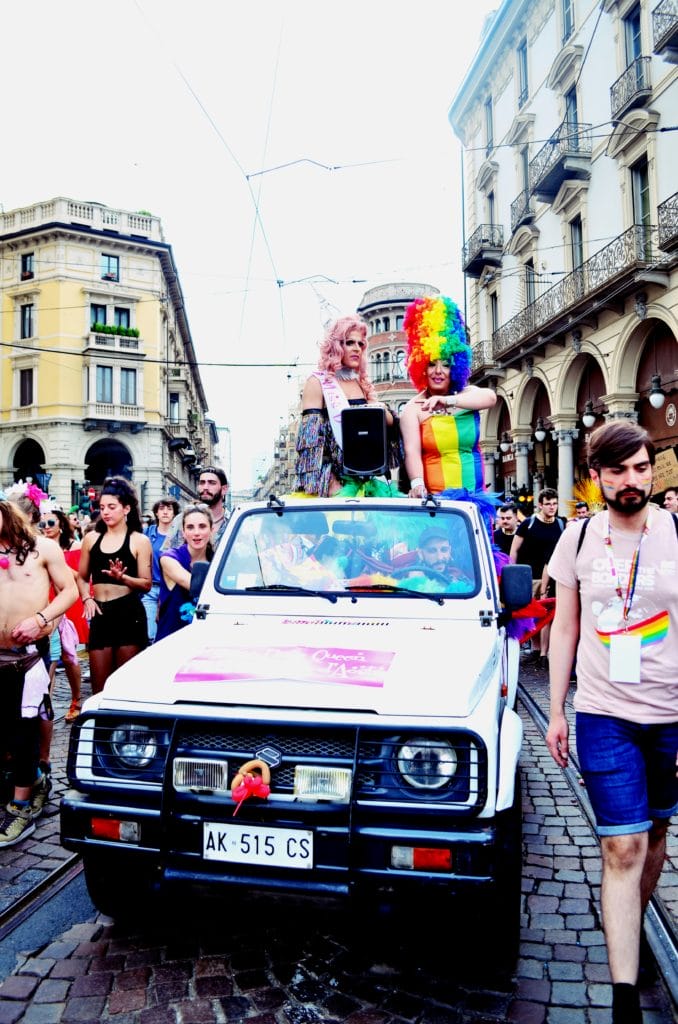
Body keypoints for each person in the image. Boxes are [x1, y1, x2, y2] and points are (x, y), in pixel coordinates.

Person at [545, 421, 678, 1024]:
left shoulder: (676, 532)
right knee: (620, 845)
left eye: (641, 469)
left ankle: (629, 922)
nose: (632, 481)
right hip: (604, 714)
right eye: (619, 471)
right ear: (595, 476)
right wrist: (554, 712)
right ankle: (625, 997)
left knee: (653, 839)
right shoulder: (577, 539)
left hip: (671, 714)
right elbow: (566, 628)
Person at [0, 498, 78, 847]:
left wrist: (42, 620)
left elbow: (71, 590)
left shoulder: (42, 548)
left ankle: (20, 809)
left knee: (24, 731)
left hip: (27, 658)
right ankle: (28, 783)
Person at [399, 296, 496, 498]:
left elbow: (490, 397)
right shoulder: (413, 408)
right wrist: (417, 484)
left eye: (446, 364)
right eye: (432, 364)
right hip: (438, 503)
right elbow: (412, 451)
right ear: (421, 367)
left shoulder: (467, 395)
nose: (438, 371)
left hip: (474, 500)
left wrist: (448, 400)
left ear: (456, 368)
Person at [294, 315, 394, 496]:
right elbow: (309, 443)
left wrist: (380, 408)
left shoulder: (362, 383)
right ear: (337, 346)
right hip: (333, 485)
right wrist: (331, 484)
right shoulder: (317, 382)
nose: (357, 348)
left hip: (369, 481)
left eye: (361, 344)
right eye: (350, 343)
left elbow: (388, 425)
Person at [77, 477, 152, 694]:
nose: (106, 512)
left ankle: (125, 728)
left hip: (129, 613)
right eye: (102, 508)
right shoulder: (91, 538)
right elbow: (81, 577)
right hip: (101, 614)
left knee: (125, 687)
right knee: (99, 689)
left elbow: (146, 584)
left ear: (126, 508)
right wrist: (86, 598)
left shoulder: (139, 540)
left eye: (112, 507)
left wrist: (123, 578)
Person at [510, 488, 566, 667]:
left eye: (555, 504)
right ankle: (535, 650)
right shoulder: (529, 523)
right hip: (529, 576)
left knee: (548, 616)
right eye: (548, 504)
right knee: (529, 614)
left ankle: (544, 653)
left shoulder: (560, 524)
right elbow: (515, 549)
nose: (552, 507)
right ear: (540, 505)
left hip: (553, 576)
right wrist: (513, 573)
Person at [37, 510, 84, 724]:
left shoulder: (73, 547)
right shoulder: (38, 547)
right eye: (42, 523)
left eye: (50, 522)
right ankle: (45, 706)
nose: (46, 526)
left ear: (61, 525)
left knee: (70, 655)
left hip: (68, 602)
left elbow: (80, 578)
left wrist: (59, 565)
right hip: (45, 602)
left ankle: (76, 698)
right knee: (54, 655)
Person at [156, 504, 213, 640]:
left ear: (212, 529)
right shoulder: (169, 558)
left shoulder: (216, 560)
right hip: (171, 640)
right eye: (190, 527)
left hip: (203, 640)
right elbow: (195, 585)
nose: (196, 532)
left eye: (202, 526)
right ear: (183, 532)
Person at [143, 496, 180, 642]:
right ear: (156, 513)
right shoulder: (147, 533)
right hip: (151, 588)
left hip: (171, 589)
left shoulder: (179, 535)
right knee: (149, 633)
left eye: (169, 509)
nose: (165, 512)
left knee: (169, 632)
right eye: (161, 509)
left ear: (174, 513)